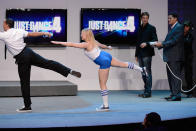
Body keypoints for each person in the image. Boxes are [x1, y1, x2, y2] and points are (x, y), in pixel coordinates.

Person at [51, 28, 148, 111]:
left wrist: (58, 42)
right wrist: (108, 47)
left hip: (103, 60)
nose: (81, 35)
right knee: (122, 64)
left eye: (82, 34)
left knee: (102, 84)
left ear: (86, 35)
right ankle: (141, 69)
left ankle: (105, 106)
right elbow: (102, 45)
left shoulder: (86, 44)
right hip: (106, 55)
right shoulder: (94, 41)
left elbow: (71, 44)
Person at [0, 19, 81, 112]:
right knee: (48, 63)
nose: (2, 25)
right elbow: (32, 34)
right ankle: (69, 70)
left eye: (3, 23)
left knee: (24, 83)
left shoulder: (4, 35)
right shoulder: (18, 30)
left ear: (6, 25)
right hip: (28, 52)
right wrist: (45, 33)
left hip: (22, 58)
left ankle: (27, 106)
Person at [154, 13, 184, 101]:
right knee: (170, 76)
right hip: (170, 56)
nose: (168, 20)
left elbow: (174, 41)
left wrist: (162, 44)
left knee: (175, 76)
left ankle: (177, 95)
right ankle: (173, 93)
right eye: (168, 18)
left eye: (170, 18)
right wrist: (159, 45)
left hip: (175, 56)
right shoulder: (173, 28)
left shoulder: (179, 27)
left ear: (175, 18)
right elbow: (169, 41)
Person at [135, 12, 158, 98]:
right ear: (141, 18)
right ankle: (146, 91)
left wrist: (147, 43)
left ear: (148, 19)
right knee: (143, 73)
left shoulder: (151, 28)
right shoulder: (139, 28)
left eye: (146, 18)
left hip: (147, 53)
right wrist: (136, 54)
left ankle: (148, 92)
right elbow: (137, 42)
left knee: (147, 73)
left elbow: (155, 40)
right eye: (143, 18)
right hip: (140, 54)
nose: (145, 19)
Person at [183, 20, 195, 98]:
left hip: (188, 57)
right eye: (184, 26)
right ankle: (177, 90)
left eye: (187, 26)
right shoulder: (180, 34)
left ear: (189, 27)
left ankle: (190, 91)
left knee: (188, 75)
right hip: (180, 56)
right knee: (178, 74)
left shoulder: (190, 35)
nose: (185, 28)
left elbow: (187, 43)